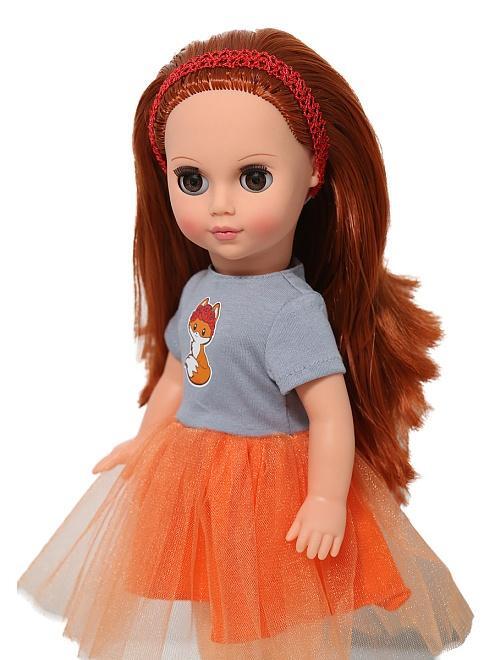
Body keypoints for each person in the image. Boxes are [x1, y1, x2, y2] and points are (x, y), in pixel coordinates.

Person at [17, 27, 474, 659]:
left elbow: (329, 412)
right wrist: (144, 442)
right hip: (193, 476)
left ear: (313, 172)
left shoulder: (293, 310)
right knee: (215, 610)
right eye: (192, 180)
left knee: (280, 619)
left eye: (253, 177)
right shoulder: (198, 289)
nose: (220, 205)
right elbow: (177, 376)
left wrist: (324, 498)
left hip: (271, 485)